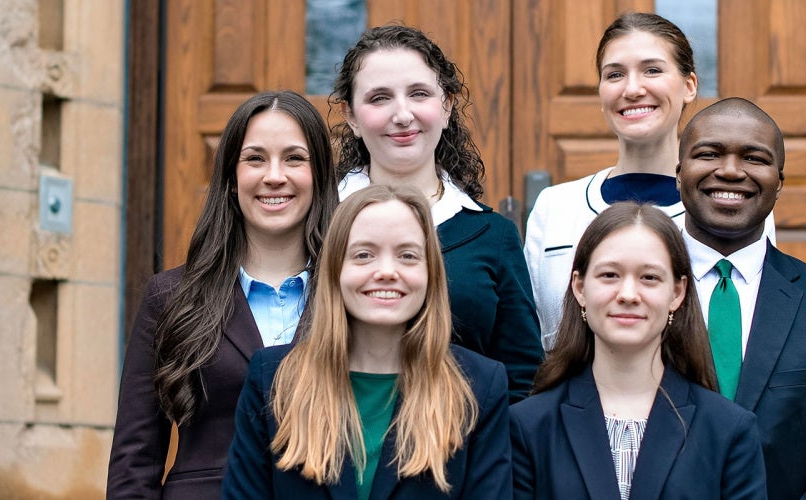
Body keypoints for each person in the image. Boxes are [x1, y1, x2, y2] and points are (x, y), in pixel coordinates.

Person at [107, 91, 339, 498]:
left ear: (318, 175)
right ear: (232, 180)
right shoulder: (171, 298)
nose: (274, 175)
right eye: (255, 158)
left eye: (294, 158)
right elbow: (135, 459)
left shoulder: (353, 294)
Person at [222, 185, 512, 499]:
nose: (387, 271)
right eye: (363, 255)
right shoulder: (273, 380)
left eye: (407, 256)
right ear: (335, 270)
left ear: (431, 273)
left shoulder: (479, 388)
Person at [524, 12, 775, 350]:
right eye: (615, 74)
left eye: (652, 70)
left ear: (689, 86)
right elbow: (533, 339)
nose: (632, 88)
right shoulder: (555, 207)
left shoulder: (731, 202)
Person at [676, 97, 806, 499]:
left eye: (754, 157)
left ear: (779, 182)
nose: (731, 170)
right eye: (709, 153)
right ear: (678, 173)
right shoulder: (632, 295)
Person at [331, 24, 543, 402]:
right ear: (351, 117)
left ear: (446, 106)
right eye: (379, 98)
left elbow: (522, 379)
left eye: (419, 94)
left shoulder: (493, 236)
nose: (402, 114)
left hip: (466, 454)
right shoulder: (318, 221)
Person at [510, 202, 768, 500]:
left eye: (649, 278)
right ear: (580, 288)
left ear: (677, 292)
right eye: (609, 275)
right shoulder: (528, 427)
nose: (629, 295)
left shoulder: (728, 430)